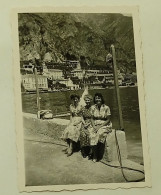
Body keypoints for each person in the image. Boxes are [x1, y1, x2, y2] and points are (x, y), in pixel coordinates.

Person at [90, 93, 112, 162]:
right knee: (91, 134)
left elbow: (108, 120)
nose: (97, 99)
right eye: (96, 98)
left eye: (99, 98)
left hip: (104, 124)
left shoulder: (106, 107)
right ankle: (95, 154)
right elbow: (91, 118)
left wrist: (99, 126)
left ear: (102, 99)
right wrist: (94, 126)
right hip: (95, 124)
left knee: (99, 133)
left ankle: (96, 154)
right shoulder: (93, 107)